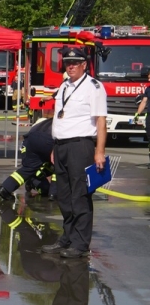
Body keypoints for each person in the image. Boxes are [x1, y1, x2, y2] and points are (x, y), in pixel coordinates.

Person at [41, 47, 107, 259]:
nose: (70, 67)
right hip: (61, 146)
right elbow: (60, 118)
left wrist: (99, 151)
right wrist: (55, 147)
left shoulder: (93, 87)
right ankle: (67, 238)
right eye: (68, 63)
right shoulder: (64, 86)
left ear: (84, 65)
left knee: (80, 195)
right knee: (64, 195)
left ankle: (80, 244)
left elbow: (101, 120)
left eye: (75, 63)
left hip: (80, 145)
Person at [0, 109, 56, 201]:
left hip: (32, 138)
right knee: (59, 166)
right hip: (49, 140)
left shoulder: (47, 121)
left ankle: (5, 189)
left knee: (27, 169)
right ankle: (53, 194)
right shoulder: (71, 122)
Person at [134, 68, 150, 166]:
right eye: (148, 75)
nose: (148, 77)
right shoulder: (148, 89)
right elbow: (144, 102)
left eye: (149, 76)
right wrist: (138, 113)